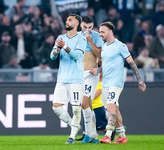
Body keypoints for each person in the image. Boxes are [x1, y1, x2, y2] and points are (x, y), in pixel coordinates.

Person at [89, 21, 146, 144]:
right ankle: (122, 136)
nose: (100, 34)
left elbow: (132, 63)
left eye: (102, 32)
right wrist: (97, 70)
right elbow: (106, 66)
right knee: (114, 109)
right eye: (99, 32)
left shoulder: (121, 46)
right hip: (106, 83)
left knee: (110, 108)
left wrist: (140, 80)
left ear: (110, 32)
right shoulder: (104, 47)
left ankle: (108, 135)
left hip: (116, 82)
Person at [50, 14, 86, 144]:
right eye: (66, 20)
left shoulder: (81, 39)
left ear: (77, 24)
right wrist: (57, 50)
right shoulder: (60, 38)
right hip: (62, 79)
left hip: (76, 79)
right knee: (56, 107)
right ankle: (74, 126)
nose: (67, 21)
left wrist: (64, 47)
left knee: (76, 109)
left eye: (70, 20)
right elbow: (52, 57)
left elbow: (77, 56)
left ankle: (71, 137)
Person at [79, 16, 103, 144]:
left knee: (84, 103)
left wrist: (90, 41)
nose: (87, 29)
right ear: (80, 26)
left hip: (91, 73)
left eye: (90, 27)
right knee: (86, 106)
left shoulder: (96, 36)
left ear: (93, 26)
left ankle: (88, 135)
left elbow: (99, 55)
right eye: (85, 27)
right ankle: (93, 135)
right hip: (78, 75)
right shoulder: (76, 36)